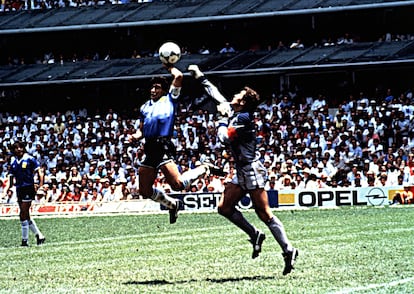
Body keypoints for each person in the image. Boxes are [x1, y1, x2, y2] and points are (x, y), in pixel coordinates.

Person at [188, 64, 298, 275]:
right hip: (242, 171)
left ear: (244, 101)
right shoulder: (235, 112)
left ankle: (288, 249)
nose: (234, 96)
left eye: (238, 94)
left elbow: (223, 138)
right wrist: (200, 76)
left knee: (264, 213)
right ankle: (255, 235)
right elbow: (216, 94)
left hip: (251, 170)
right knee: (224, 207)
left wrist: (220, 120)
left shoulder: (244, 118)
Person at [128, 64, 223, 224]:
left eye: (157, 88)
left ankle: (204, 167)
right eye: (152, 88)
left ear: (164, 90)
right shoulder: (145, 107)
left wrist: (169, 66)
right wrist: (134, 137)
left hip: (163, 146)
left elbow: (178, 76)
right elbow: (142, 130)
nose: (153, 90)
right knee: (144, 191)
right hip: (149, 148)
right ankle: (172, 204)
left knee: (178, 185)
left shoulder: (170, 99)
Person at [5, 141, 46, 246]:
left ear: (23, 148)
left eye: (20, 147)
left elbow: (40, 173)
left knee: (23, 213)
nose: (18, 149)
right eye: (16, 148)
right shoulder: (14, 162)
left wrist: (40, 186)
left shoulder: (30, 159)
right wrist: (6, 191)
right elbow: (10, 178)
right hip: (19, 189)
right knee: (25, 214)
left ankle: (25, 240)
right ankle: (39, 236)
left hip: (28, 188)